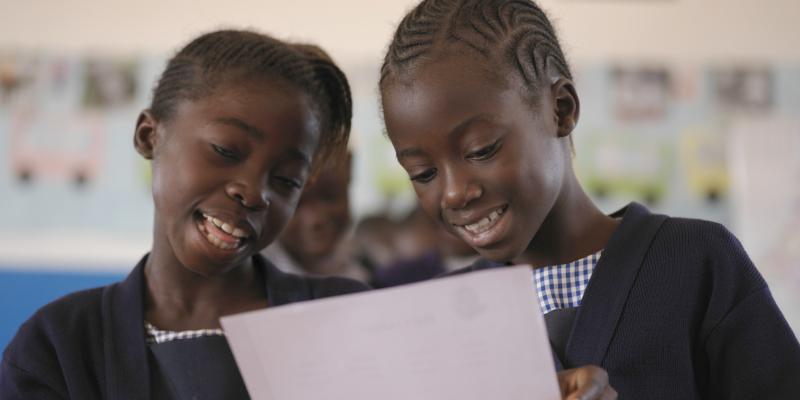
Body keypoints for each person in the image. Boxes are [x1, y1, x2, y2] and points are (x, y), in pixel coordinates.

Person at [379, 0, 800, 399]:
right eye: (424, 173)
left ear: (560, 109)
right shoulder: (442, 314)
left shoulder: (695, 262)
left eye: (482, 149)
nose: (453, 192)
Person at [0, 29, 366, 399]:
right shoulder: (60, 345)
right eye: (226, 151)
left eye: (286, 179)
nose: (255, 194)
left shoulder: (347, 321)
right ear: (148, 136)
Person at [262, 151, 370, 282]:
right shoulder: (256, 285)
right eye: (296, 204)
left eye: (329, 196)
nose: (316, 220)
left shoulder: (367, 266)